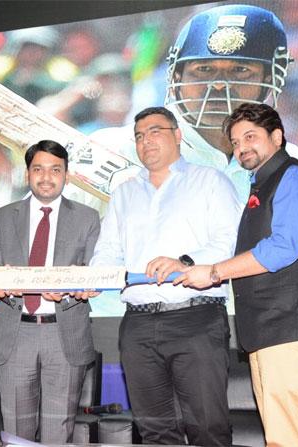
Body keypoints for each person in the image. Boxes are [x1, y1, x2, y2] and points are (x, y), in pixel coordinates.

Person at [175, 103, 298, 446]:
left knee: (291, 439)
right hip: (277, 331)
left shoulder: (295, 177)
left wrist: (212, 273)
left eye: (250, 137)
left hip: (296, 329)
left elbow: (282, 249)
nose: (241, 148)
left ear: (277, 136)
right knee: (288, 438)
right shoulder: (264, 185)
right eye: (236, 143)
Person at [90, 107, 242, 445]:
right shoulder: (124, 193)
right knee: (154, 430)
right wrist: (90, 280)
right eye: (139, 136)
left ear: (177, 135)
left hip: (196, 318)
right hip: (138, 325)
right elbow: (107, 252)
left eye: (155, 131)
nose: (146, 141)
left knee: (207, 426)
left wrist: (184, 262)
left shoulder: (210, 180)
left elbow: (229, 241)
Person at [89, 4, 298, 203]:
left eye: (240, 70)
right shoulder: (116, 150)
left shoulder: (284, 163)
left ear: (268, 80)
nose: (218, 85)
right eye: (203, 69)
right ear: (177, 77)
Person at [0, 140, 100, 443]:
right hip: (16, 332)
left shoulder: (87, 217)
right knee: (16, 433)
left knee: (57, 433)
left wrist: (77, 288)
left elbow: (95, 272)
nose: (46, 177)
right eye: (38, 169)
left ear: (67, 175)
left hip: (65, 333)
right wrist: (2, 283)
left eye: (55, 170)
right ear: (27, 174)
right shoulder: (4, 216)